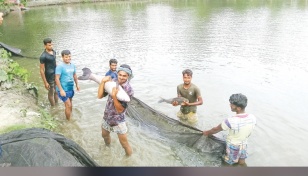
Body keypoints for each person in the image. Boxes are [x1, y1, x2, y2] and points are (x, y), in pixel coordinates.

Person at [203, 93, 257, 166]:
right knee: (242, 162)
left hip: (233, 147)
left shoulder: (230, 121)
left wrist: (206, 132)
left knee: (228, 163)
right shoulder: (252, 117)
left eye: (232, 104)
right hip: (244, 144)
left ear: (238, 108)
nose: (230, 105)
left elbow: (215, 130)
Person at [98, 64, 134, 156]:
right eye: (120, 75)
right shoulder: (113, 82)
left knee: (124, 144)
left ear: (128, 76)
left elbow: (120, 110)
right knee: (105, 136)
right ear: (117, 74)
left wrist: (114, 96)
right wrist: (102, 82)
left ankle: (128, 160)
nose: (121, 77)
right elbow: (100, 96)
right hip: (107, 116)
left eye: (124, 76)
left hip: (118, 120)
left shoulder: (129, 90)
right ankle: (107, 149)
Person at [55, 50, 80, 120]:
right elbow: (56, 79)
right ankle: (68, 122)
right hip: (62, 90)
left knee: (70, 104)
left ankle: (70, 117)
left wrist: (77, 84)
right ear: (62, 57)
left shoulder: (72, 65)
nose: (68, 58)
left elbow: (74, 75)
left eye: (69, 56)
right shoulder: (60, 67)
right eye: (66, 57)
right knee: (68, 105)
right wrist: (61, 90)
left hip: (70, 88)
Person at [39, 38, 58, 106]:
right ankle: (53, 107)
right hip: (49, 76)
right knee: (51, 92)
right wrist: (45, 82)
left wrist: (59, 72)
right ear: (45, 46)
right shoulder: (43, 56)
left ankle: (57, 105)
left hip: (55, 75)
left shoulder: (54, 52)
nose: (51, 46)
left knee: (56, 91)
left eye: (51, 44)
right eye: (49, 45)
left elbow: (55, 62)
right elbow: (41, 70)